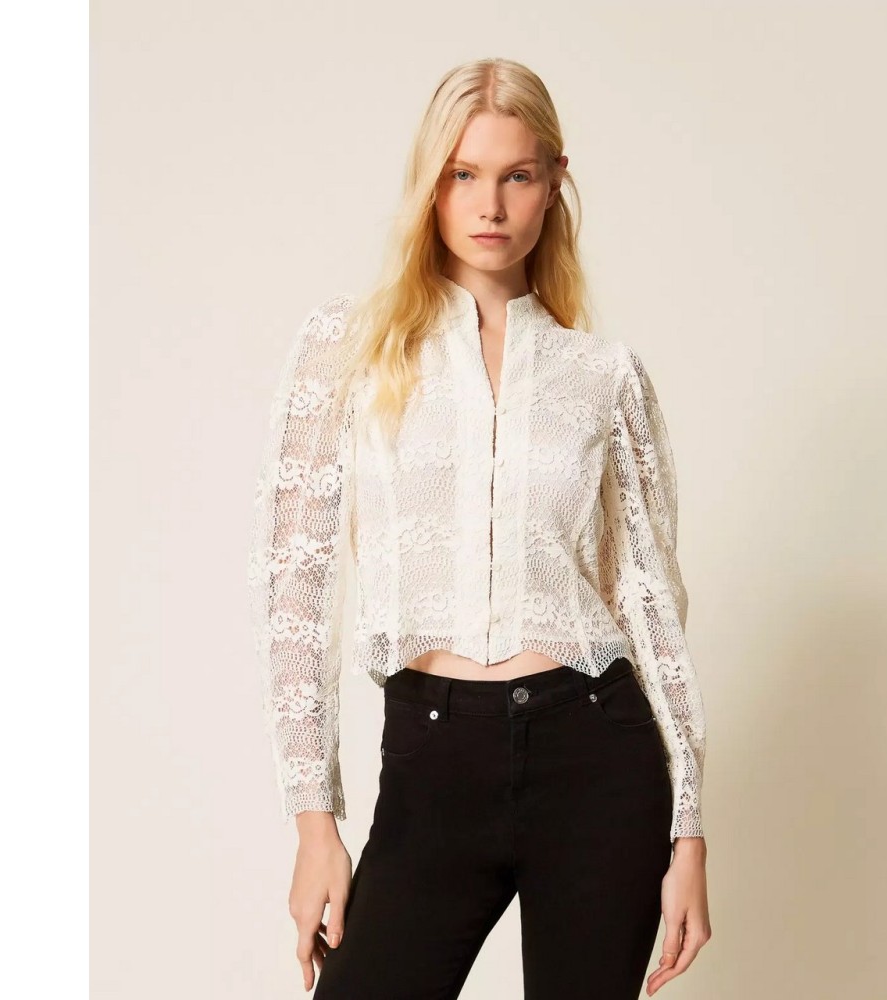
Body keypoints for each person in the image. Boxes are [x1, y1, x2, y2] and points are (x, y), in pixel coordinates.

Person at [248, 56, 711, 999]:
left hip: (598, 755)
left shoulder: (603, 376)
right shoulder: (350, 350)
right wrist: (313, 820)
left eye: (516, 175)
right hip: (432, 751)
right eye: (463, 174)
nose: (489, 204)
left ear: (554, 183)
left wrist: (691, 832)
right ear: (430, 184)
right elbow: (296, 592)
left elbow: (653, 605)